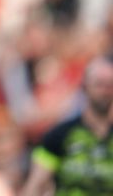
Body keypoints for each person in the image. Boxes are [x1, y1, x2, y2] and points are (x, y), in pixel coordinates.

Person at [21, 54, 113, 195]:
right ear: (84, 87)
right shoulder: (60, 135)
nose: (105, 92)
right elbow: (35, 186)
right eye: (99, 84)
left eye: (110, 85)